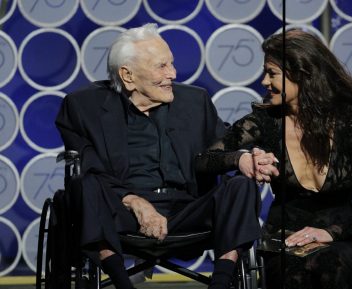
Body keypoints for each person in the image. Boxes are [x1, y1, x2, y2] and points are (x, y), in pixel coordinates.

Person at [55, 23, 262, 289]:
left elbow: (220, 147)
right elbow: (91, 168)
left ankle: (220, 283)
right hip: (122, 210)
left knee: (241, 187)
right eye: (161, 67)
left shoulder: (194, 101)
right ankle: (122, 284)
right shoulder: (83, 107)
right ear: (127, 76)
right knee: (84, 185)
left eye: (172, 64)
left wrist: (241, 158)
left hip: (188, 208)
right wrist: (135, 202)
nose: (173, 74)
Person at [195, 29, 352, 289]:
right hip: (284, 238)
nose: (264, 81)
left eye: (272, 73)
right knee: (294, 275)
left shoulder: (349, 124)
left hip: (340, 237)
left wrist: (329, 233)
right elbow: (204, 159)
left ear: (301, 74)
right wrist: (241, 160)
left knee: (334, 265)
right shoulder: (265, 121)